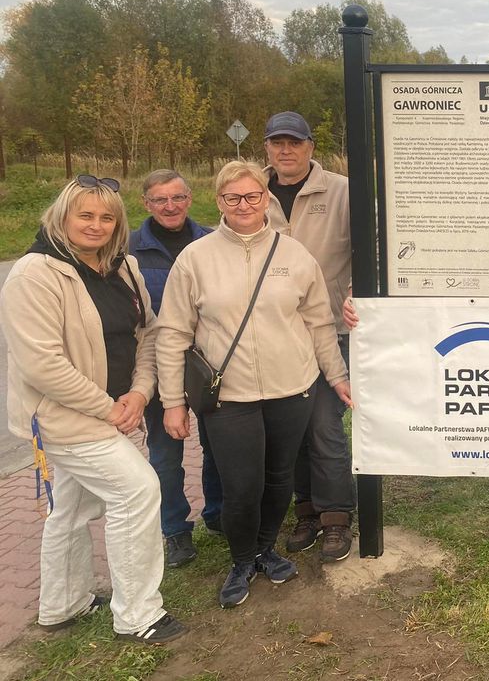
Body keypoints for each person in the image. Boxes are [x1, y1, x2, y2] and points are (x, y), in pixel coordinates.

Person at [155, 161, 352, 609]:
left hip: (292, 389)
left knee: (280, 477)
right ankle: (242, 559)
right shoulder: (196, 259)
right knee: (241, 485)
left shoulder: (295, 255)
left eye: (252, 196)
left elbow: (320, 322)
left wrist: (336, 376)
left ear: (266, 198)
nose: (243, 205)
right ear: (218, 201)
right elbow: (172, 334)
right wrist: (172, 401)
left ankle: (266, 548)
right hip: (230, 397)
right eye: (232, 198)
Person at [1, 176, 187, 644]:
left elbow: (148, 332)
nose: (96, 225)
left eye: (107, 217)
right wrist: (108, 409)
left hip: (116, 409)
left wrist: (141, 393)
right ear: (62, 216)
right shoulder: (33, 274)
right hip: (66, 419)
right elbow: (41, 363)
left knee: (72, 507)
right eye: (85, 214)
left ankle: (63, 605)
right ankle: (138, 615)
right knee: (138, 490)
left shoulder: (123, 267)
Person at [263, 111, 356, 563]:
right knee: (293, 428)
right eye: (277, 143)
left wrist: (358, 293)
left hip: (332, 329)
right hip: (276, 334)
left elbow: (368, 246)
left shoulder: (340, 191)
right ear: (266, 148)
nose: (285, 151)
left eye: (294, 143)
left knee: (323, 424)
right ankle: (307, 512)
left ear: (310, 147)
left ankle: (337, 515)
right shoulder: (253, 194)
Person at [129, 169, 222, 568]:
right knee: (166, 454)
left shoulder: (213, 241)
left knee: (217, 446)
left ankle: (218, 514)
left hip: (210, 361)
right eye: (160, 200)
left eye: (178, 198)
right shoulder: (131, 249)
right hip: (159, 361)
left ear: (190, 198)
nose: (170, 207)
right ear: (146, 204)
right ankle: (176, 531)